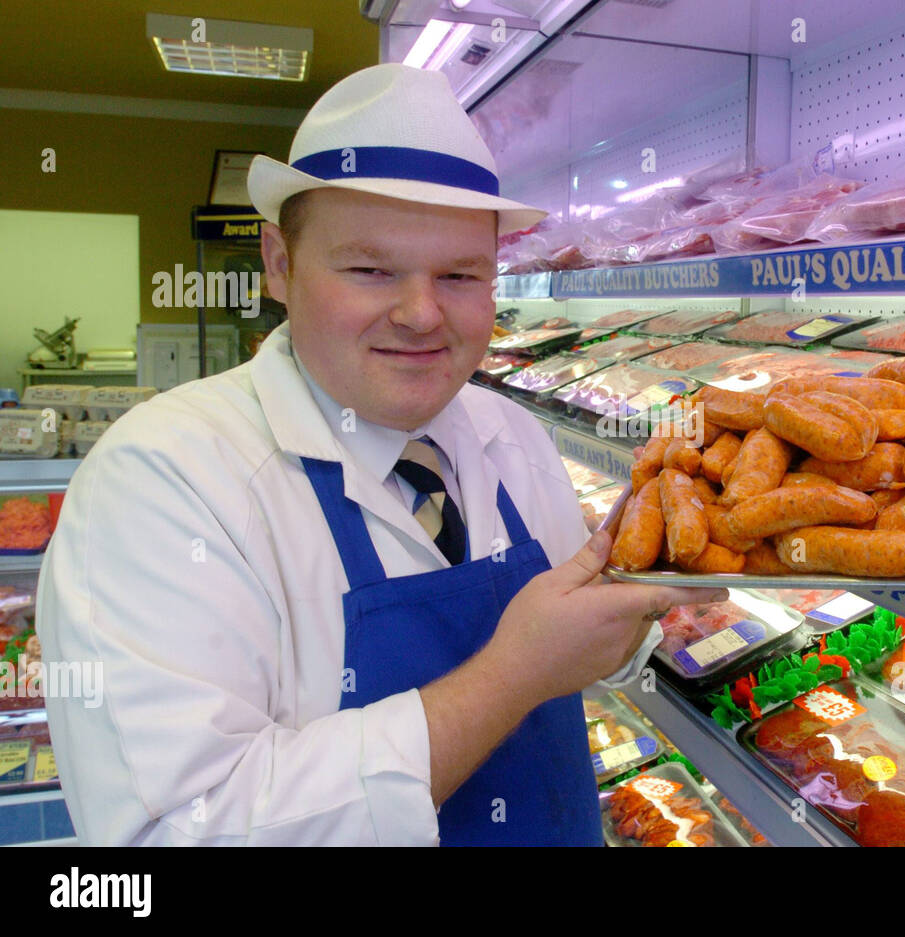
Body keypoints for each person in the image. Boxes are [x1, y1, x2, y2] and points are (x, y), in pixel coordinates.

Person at [35, 64, 719, 846]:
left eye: (460, 274)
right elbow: (177, 833)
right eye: (370, 269)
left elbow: (590, 657)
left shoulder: (513, 435)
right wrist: (510, 676)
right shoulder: (159, 482)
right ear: (279, 263)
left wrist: (632, 628)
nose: (422, 313)